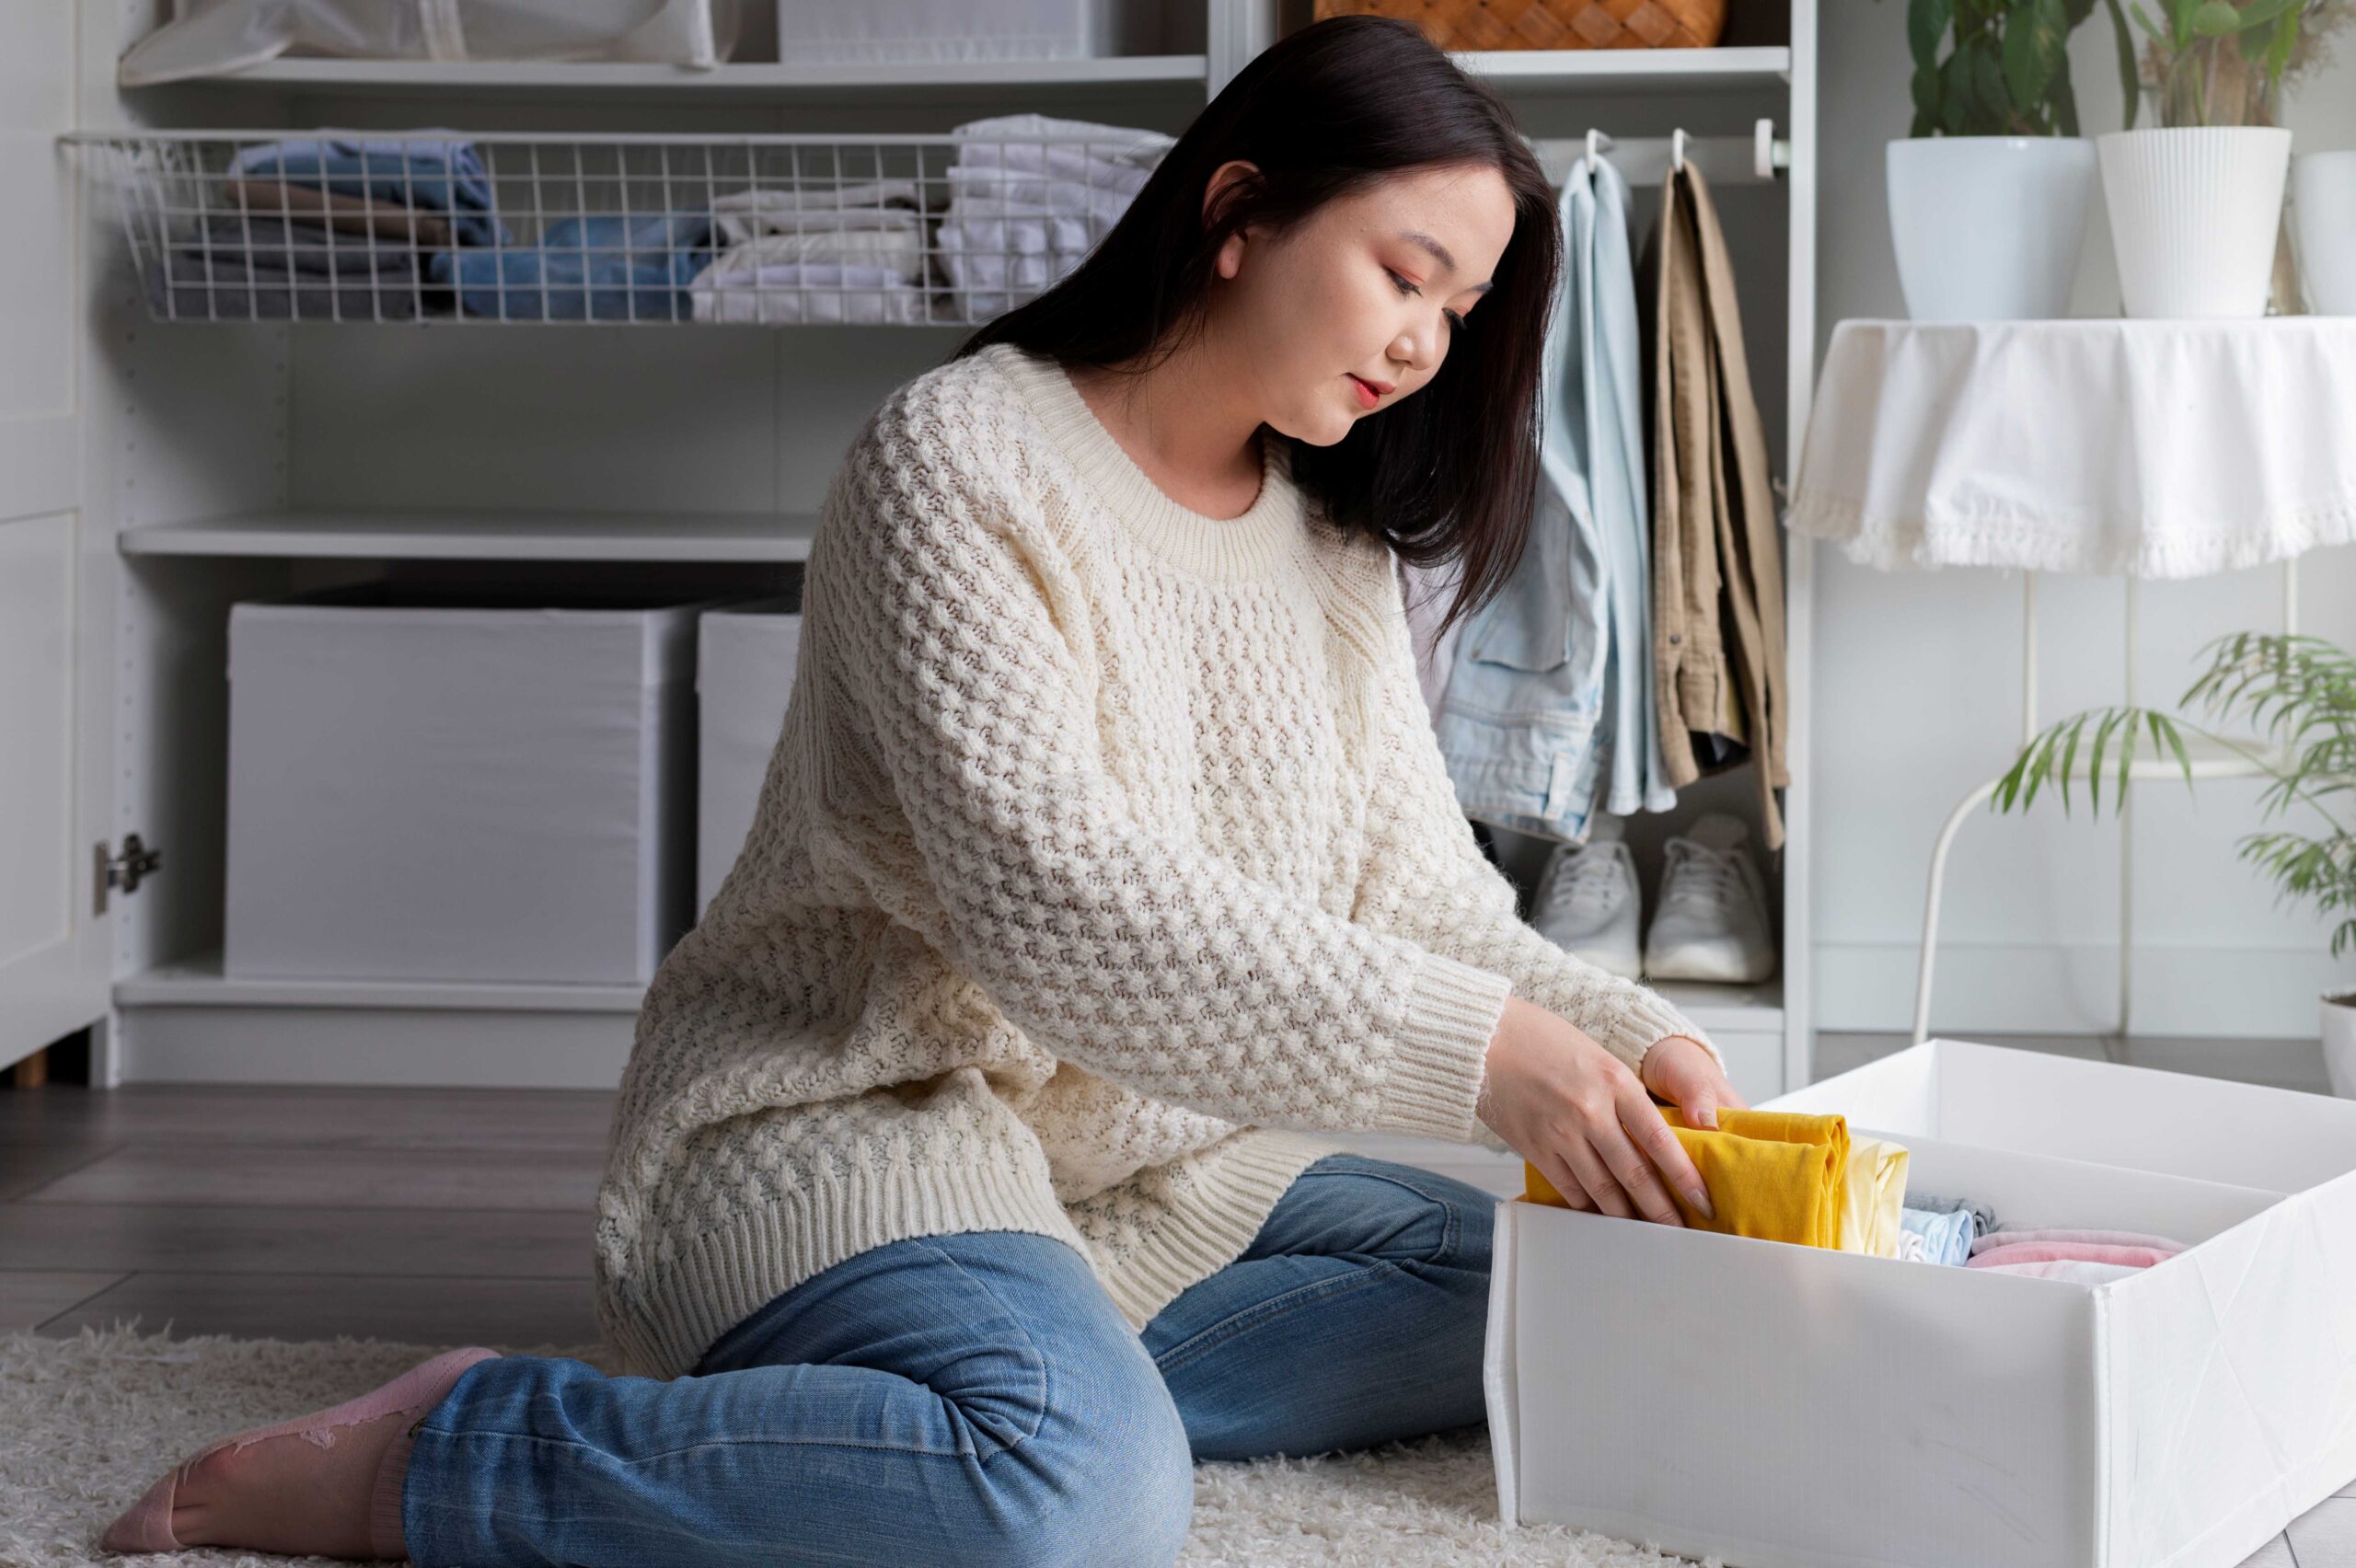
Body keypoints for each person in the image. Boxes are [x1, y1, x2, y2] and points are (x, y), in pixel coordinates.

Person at [99, 15, 1747, 1565]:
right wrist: (1487, 1059)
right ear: (1242, 211)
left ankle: (902, 1418)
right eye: (1408, 274)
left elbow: (1413, 890)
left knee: (1570, 1292)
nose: (1425, 342)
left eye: (1459, 312)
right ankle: (457, 1447)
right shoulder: (956, 459)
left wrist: (1623, 1040)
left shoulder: (1326, 546)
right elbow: (1061, 906)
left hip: (1138, 1174)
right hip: (854, 1123)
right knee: (1074, 1498)